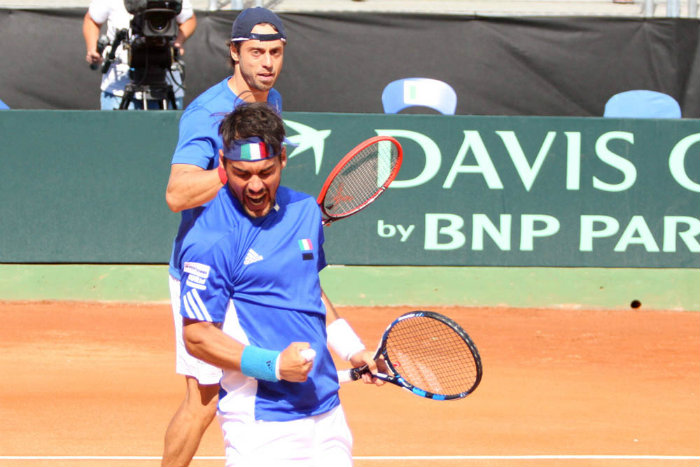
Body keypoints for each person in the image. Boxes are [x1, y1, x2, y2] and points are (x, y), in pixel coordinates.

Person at [179, 101, 380, 466]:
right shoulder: (210, 239)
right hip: (261, 421)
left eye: (266, 172)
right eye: (241, 174)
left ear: (283, 159)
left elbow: (309, 290)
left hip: (327, 413)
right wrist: (272, 365)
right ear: (223, 164)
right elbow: (197, 336)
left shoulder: (304, 211)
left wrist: (353, 350)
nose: (255, 186)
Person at [162, 7, 289, 467]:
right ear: (234, 52)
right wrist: (228, 170)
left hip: (249, 269)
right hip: (206, 272)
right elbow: (177, 194)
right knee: (204, 397)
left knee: (260, 387)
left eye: (275, 52)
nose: (267, 63)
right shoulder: (207, 113)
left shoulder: (272, 101)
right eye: (256, 52)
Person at [82, 0, 197, 110]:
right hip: (119, 88)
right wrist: (93, 48)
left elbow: (188, 19)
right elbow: (92, 19)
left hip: (165, 83)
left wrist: (178, 43)